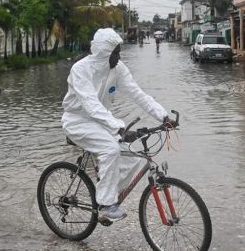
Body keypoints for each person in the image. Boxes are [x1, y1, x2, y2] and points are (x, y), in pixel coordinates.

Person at [61, 28, 175, 223]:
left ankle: (106, 194)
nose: (119, 56)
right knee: (111, 149)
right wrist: (119, 128)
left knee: (133, 157)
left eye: (119, 51)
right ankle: (105, 205)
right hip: (77, 120)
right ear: (104, 53)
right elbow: (91, 105)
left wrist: (163, 115)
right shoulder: (81, 69)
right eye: (115, 52)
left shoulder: (117, 68)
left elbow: (138, 94)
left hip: (102, 121)